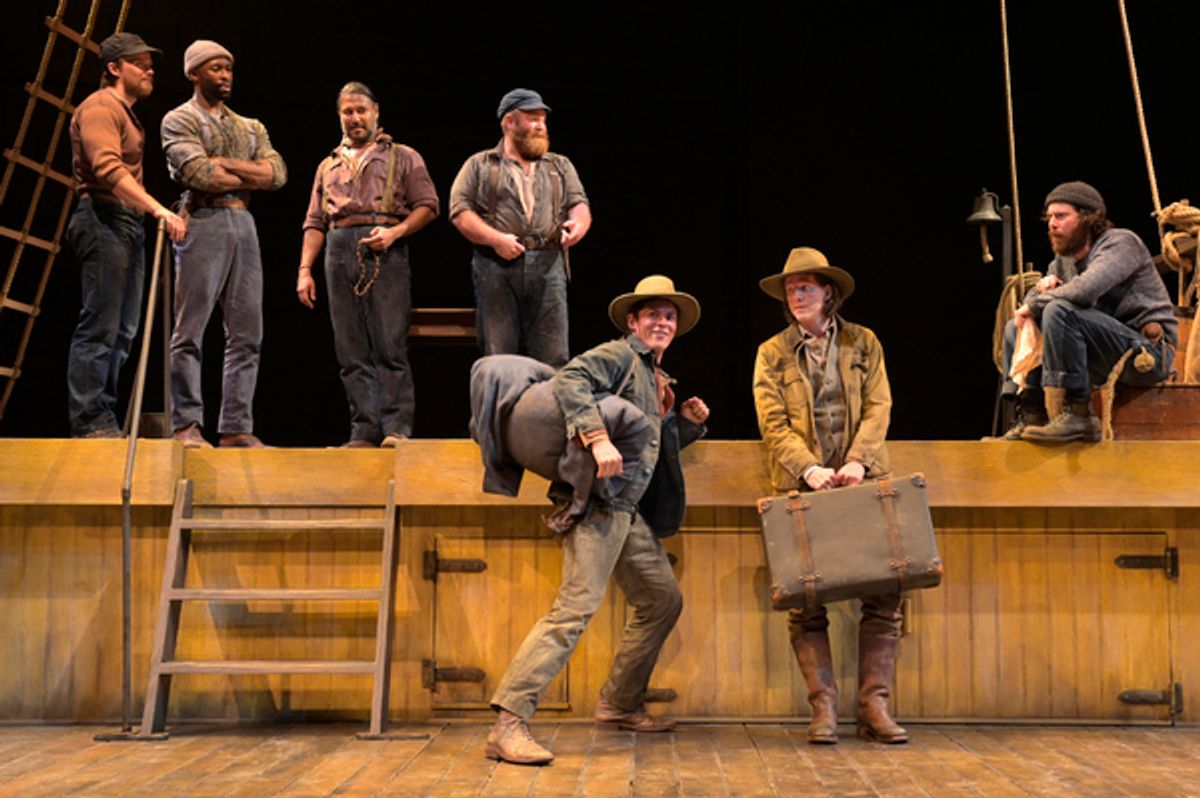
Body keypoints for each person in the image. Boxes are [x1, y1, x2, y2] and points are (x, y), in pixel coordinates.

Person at [485, 275, 709, 765]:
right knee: (574, 610)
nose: (662, 323)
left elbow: (647, 452)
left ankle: (618, 704)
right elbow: (570, 380)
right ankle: (509, 721)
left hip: (627, 512)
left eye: (669, 317)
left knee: (661, 600)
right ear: (634, 322)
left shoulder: (658, 378)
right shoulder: (620, 355)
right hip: (600, 506)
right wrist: (594, 435)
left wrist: (685, 426)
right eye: (652, 314)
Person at [752, 247, 905, 745]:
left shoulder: (864, 343)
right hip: (802, 486)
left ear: (829, 293)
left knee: (884, 594)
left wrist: (858, 460)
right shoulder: (772, 352)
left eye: (807, 287)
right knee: (806, 600)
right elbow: (772, 422)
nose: (797, 295)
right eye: (790, 289)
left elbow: (879, 406)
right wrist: (810, 468)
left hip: (865, 479)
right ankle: (824, 710)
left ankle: (873, 707)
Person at [297, 82, 439, 446]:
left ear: (376, 111)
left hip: (385, 247)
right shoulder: (327, 164)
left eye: (361, 110)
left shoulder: (403, 156)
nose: (355, 118)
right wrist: (304, 270)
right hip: (338, 246)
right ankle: (363, 430)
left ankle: (396, 429)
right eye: (348, 111)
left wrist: (396, 233)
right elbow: (315, 222)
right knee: (350, 347)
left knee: (389, 344)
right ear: (339, 116)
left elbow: (428, 205)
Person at [161, 40, 287, 447]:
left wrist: (228, 165)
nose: (225, 75)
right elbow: (200, 174)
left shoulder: (250, 126)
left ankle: (235, 426)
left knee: (248, 332)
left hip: (243, 223)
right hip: (203, 219)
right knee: (190, 329)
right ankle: (186, 424)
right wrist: (250, 173)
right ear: (195, 73)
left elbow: (278, 174)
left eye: (229, 69)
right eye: (216, 69)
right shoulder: (178, 119)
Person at [64, 32, 187, 438]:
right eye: (139, 63)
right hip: (103, 217)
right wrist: (156, 207)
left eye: (150, 63)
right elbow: (107, 169)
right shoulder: (101, 107)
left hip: (125, 222)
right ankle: (90, 420)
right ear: (115, 68)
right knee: (101, 324)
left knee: (123, 329)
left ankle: (102, 416)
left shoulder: (127, 113)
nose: (149, 69)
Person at [998, 181, 1176, 442]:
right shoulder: (1063, 262)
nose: (1052, 224)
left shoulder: (1120, 244)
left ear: (1087, 218)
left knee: (1060, 310)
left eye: (1061, 216)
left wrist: (1037, 301)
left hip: (1146, 354)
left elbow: (1085, 290)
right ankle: (1031, 414)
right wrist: (1038, 294)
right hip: (1101, 354)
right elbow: (1031, 303)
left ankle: (1080, 415)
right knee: (1020, 324)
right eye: (1049, 217)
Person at [448, 88, 591, 368]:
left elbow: (579, 204)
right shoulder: (480, 164)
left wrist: (578, 224)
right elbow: (459, 211)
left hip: (549, 265)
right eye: (532, 119)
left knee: (554, 357)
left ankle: (548, 413)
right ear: (509, 122)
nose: (540, 126)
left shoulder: (559, 165)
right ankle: (501, 412)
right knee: (499, 357)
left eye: (543, 120)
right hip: (496, 267)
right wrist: (495, 239)